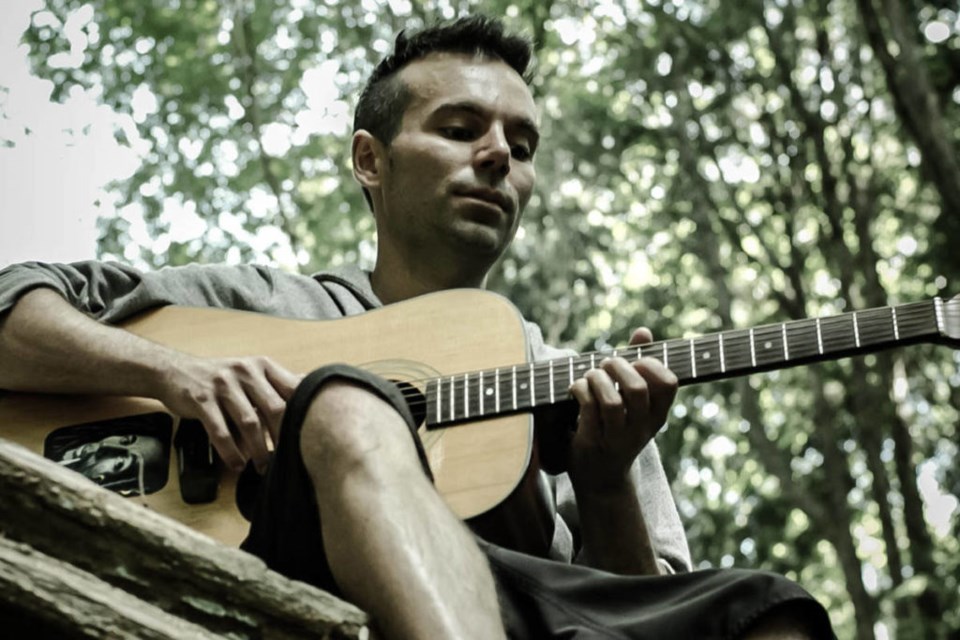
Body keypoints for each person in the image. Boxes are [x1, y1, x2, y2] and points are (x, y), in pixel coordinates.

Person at [0, 15, 835, 639]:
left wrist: (606, 475)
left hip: (511, 604)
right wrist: (172, 375)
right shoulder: (250, 302)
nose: (501, 156)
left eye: (523, 142)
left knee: (771, 614)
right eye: (461, 129)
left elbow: (628, 610)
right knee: (352, 404)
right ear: (372, 159)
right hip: (276, 565)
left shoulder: (586, 387)